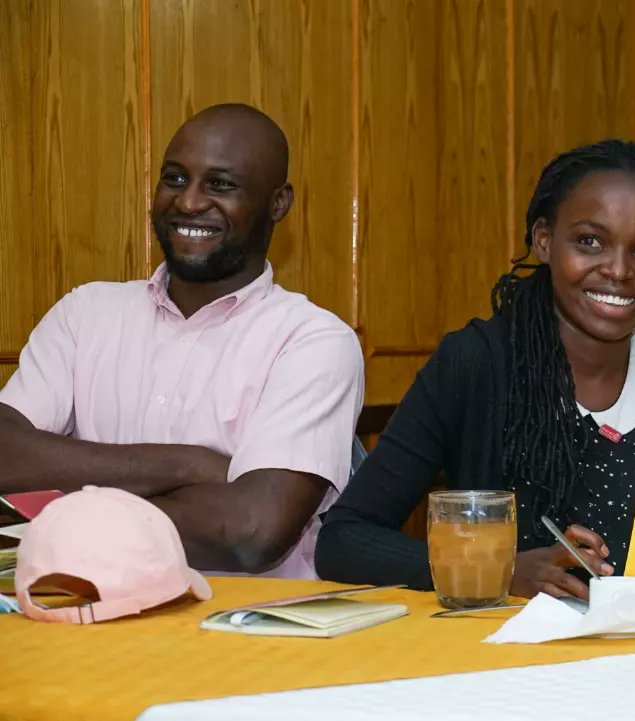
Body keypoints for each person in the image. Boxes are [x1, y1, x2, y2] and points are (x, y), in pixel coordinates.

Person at [316, 140, 635, 599]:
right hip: (500, 658)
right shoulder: (475, 363)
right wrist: (494, 571)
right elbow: (344, 540)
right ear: (544, 240)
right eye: (590, 241)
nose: (618, 270)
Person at [0, 104, 363, 579]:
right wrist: (186, 465)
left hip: (245, 636)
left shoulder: (311, 341)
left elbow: (251, 533)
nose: (189, 203)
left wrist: (63, 493)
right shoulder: (84, 314)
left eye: (220, 185)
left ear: (279, 203)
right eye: (174, 179)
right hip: (80, 617)